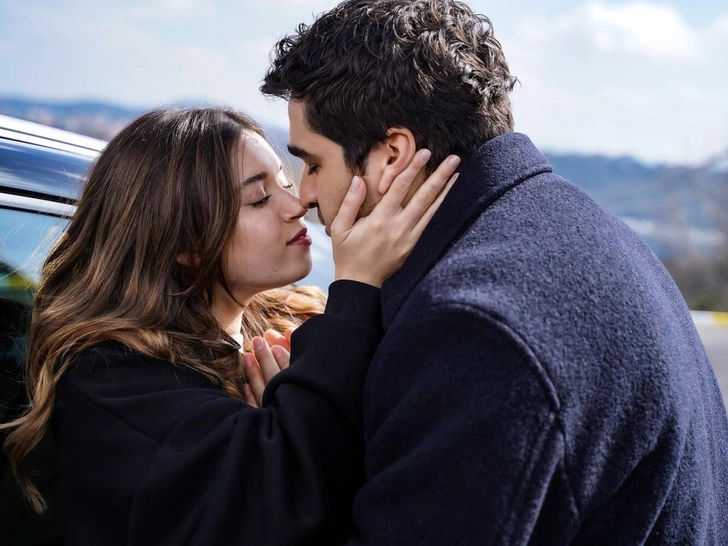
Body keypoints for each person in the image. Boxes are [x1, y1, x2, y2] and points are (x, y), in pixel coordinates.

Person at [261, 1, 728, 543]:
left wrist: (302, 446)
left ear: (392, 154)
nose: (307, 195)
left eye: (313, 164)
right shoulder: (580, 230)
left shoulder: (473, 327)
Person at [0, 106, 459, 545]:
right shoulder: (110, 381)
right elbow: (276, 512)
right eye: (259, 199)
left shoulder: (294, 322)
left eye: (285, 182)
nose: (296, 204)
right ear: (185, 242)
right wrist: (356, 289)